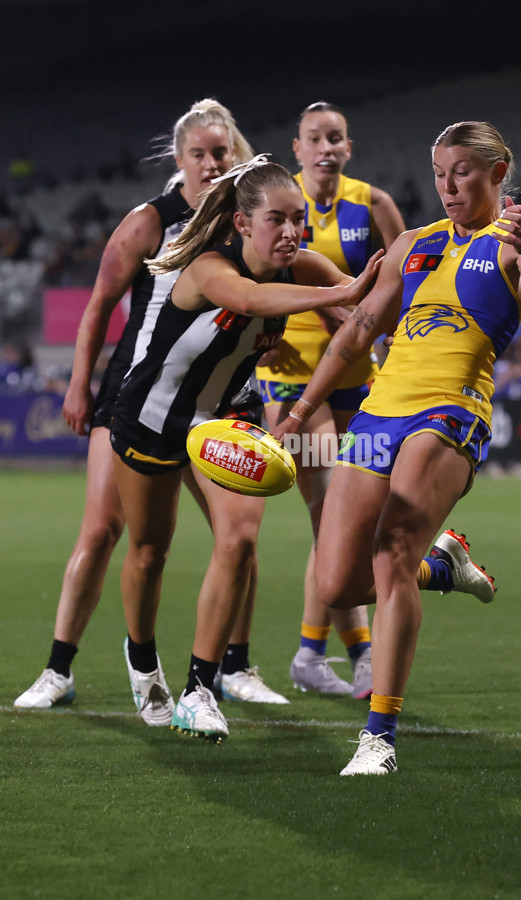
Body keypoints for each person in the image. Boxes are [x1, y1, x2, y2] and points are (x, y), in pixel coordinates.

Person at [274, 121, 521, 774]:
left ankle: (378, 735)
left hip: (450, 413)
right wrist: (299, 411)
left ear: (498, 173)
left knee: (389, 553)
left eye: (462, 171)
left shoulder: (513, 242)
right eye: (439, 172)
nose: (447, 185)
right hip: (379, 413)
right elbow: (356, 334)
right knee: (337, 583)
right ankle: (441, 565)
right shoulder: (413, 244)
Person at [14, 99, 288, 717]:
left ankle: (231, 670)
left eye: (221, 152)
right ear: (179, 159)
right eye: (200, 154)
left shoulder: (247, 223)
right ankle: (59, 667)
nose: (213, 163)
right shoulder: (150, 221)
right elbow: (98, 305)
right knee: (108, 531)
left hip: (222, 401)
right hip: (140, 395)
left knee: (238, 535)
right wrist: (79, 383)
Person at [109, 157, 383, 741]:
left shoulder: (302, 264)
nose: (291, 232)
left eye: (298, 220)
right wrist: (343, 289)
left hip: (228, 413)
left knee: (238, 539)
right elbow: (253, 301)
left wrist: (370, 318)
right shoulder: (210, 268)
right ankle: (140, 658)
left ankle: (199, 689)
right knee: (151, 550)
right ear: (241, 222)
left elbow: (356, 315)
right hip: (156, 413)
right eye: (277, 220)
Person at [257, 101, 492, 700]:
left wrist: (395, 337)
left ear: (348, 147)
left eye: (336, 137)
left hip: (364, 382)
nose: (327, 147)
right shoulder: (281, 209)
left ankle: (339, 654)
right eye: (316, 138)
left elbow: (410, 283)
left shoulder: (374, 204)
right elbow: (253, 278)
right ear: (299, 147)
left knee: (362, 531)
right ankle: (326, 651)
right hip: (291, 379)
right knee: (325, 516)